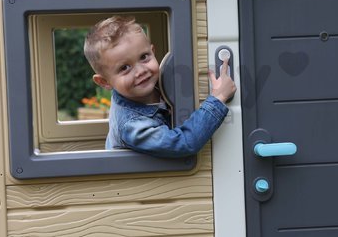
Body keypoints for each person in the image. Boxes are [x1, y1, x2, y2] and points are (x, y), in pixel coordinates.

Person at [84, 15, 236, 158]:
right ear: (105, 82)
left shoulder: (152, 85)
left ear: (153, 51)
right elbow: (184, 143)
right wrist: (218, 98)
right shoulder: (132, 125)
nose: (141, 71)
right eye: (124, 68)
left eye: (144, 57)